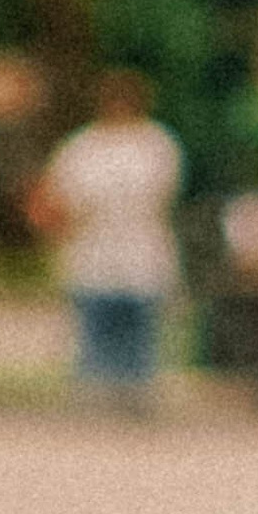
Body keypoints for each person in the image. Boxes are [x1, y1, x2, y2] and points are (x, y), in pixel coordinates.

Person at [29, 73, 184, 403]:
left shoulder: (155, 145)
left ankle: (136, 400)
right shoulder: (83, 147)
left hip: (140, 257)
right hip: (93, 257)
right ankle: (95, 402)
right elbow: (57, 203)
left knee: (138, 341)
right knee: (95, 340)